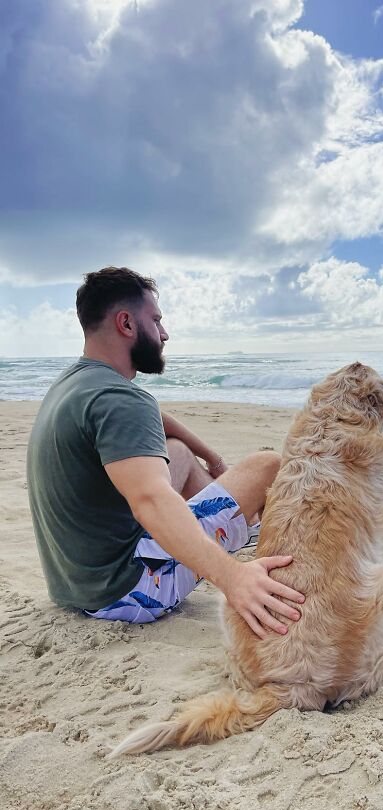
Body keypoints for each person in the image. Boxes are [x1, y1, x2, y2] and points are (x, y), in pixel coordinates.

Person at [26, 266, 304, 638]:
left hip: (76, 585)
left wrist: (214, 458)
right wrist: (233, 579)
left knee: (178, 452)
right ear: (126, 323)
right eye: (155, 321)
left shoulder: (76, 385)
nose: (164, 333)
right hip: (133, 589)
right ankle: (260, 548)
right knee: (267, 465)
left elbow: (159, 419)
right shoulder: (121, 400)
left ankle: (246, 530)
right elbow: (151, 501)